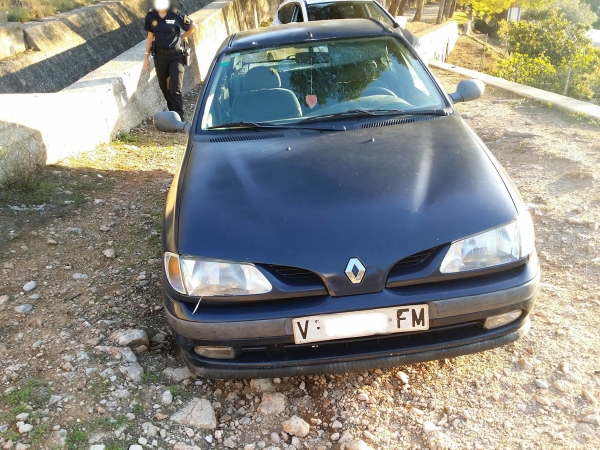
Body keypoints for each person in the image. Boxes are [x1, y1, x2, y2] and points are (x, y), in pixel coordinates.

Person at [143, 0, 197, 121]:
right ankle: (172, 115)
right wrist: (146, 56)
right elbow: (150, 36)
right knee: (164, 87)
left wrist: (181, 38)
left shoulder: (175, 14)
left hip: (176, 56)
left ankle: (179, 118)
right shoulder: (151, 16)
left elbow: (193, 27)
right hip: (160, 56)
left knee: (175, 88)